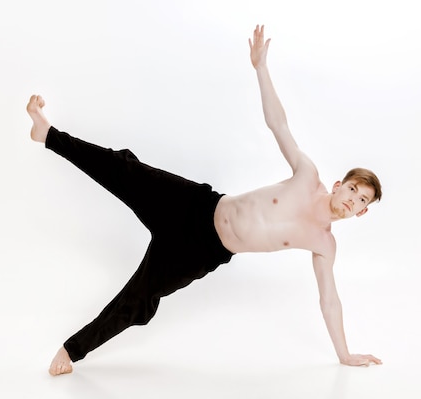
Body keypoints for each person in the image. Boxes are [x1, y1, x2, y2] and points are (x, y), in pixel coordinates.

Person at [27, 25, 383, 376]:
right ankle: (47, 133)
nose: (352, 199)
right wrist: (261, 68)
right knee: (123, 169)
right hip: (195, 205)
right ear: (339, 184)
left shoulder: (324, 244)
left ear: (361, 213)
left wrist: (345, 353)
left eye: (360, 200)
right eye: (352, 189)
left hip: (202, 252)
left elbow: (329, 301)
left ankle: (71, 350)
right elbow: (279, 125)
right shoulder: (307, 176)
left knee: (140, 301)